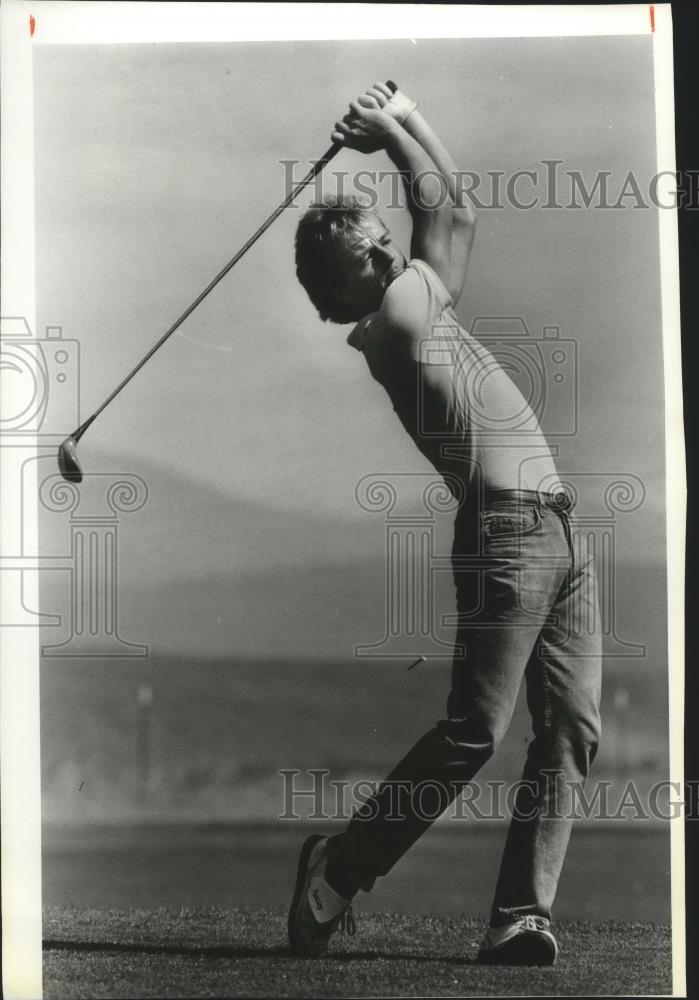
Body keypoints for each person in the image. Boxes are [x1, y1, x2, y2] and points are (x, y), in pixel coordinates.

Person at [288, 82, 602, 965]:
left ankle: (518, 915)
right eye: (367, 252)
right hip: (507, 531)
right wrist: (391, 132)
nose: (386, 254)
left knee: (571, 728)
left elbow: (450, 207)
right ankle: (340, 868)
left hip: (559, 529)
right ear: (339, 286)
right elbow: (442, 205)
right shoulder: (395, 320)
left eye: (383, 243)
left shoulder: (414, 299)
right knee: (473, 734)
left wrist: (407, 113)